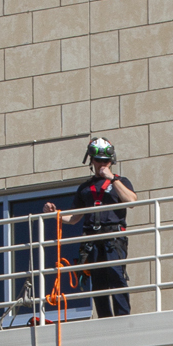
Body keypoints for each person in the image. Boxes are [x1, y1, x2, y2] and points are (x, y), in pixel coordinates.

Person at [68, 136, 134, 318]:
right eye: (98, 160)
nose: (102, 164)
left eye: (106, 161)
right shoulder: (85, 188)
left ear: (111, 161)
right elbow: (73, 217)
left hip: (114, 237)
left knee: (116, 275)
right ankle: (104, 318)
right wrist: (55, 213)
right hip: (93, 239)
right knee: (98, 281)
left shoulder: (120, 182)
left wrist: (112, 179)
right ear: (92, 160)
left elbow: (131, 200)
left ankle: (123, 316)